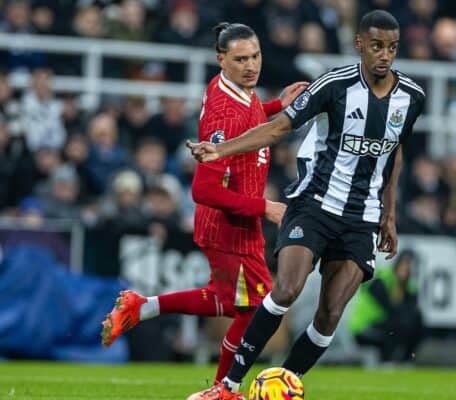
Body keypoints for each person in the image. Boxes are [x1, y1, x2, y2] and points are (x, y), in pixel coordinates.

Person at [186, 10, 425, 400]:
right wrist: (221, 149)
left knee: (330, 313)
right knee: (286, 289)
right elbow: (281, 126)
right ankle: (226, 387)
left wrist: (390, 214)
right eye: (377, 46)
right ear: (360, 45)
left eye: (393, 48)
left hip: (361, 218)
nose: (385, 55)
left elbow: (395, 152)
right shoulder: (334, 84)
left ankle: (284, 384)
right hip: (314, 204)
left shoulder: (411, 97)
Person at [100, 22, 308, 384]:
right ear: (221, 59)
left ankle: (141, 306)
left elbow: (248, 116)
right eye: (240, 59)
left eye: (255, 56)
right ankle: (222, 388)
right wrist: (267, 207)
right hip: (230, 226)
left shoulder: (231, 89)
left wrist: (276, 106)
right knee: (256, 309)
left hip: (231, 223)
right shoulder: (224, 114)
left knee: (227, 301)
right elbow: (203, 191)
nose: (251, 66)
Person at [349, 249, 423, 364]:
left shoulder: (410, 288)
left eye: (409, 266)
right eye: (404, 265)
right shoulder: (381, 281)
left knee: (417, 321)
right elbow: (391, 309)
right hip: (365, 327)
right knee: (396, 323)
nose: (405, 270)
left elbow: (412, 313)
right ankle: (387, 361)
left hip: (384, 324)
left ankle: (406, 360)